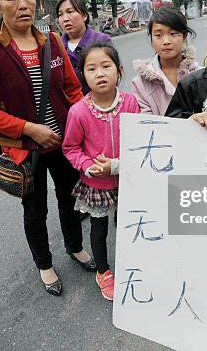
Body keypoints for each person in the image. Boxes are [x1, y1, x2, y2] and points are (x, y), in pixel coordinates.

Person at [0, 0, 95, 297]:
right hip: (27, 150)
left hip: (63, 141)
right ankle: (44, 264)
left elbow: (71, 88)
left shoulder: (51, 42)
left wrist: (90, 117)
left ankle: (74, 246)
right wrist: (30, 129)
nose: (23, 4)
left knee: (70, 199)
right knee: (35, 209)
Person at [62, 43, 140, 301]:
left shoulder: (130, 103)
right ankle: (104, 271)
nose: (100, 73)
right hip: (97, 185)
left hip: (129, 180)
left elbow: (140, 143)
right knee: (99, 228)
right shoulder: (79, 112)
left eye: (106, 66)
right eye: (91, 68)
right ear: (83, 75)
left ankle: (133, 265)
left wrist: (120, 164)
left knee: (129, 225)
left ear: (119, 70)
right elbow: (71, 147)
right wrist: (87, 166)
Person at [131, 6, 201, 115]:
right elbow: (145, 123)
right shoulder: (141, 83)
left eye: (173, 34)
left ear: (184, 36)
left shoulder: (199, 75)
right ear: (152, 38)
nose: (166, 41)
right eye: (158, 35)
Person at [57, 0, 112, 94]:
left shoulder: (102, 40)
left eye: (70, 12)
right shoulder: (56, 46)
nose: (65, 18)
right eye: (60, 14)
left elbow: (112, 75)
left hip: (100, 101)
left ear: (84, 16)